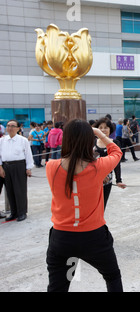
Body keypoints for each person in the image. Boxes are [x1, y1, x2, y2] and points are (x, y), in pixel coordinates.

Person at [45, 119, 123, 292]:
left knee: (59, 285)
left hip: (62, 238)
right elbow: (116, 151)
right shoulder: (98, 167)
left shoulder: (51, 167)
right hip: (94, 237)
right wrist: (100, 133)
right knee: (112, 276)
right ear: (90, 141)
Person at [0, 119, 34, 222]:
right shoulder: (2, 140)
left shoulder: (23, 140)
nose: (10, 128)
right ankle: (13, 212)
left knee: (20, 190)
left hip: (19, 166)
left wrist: (28, 168)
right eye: (8, 126)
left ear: (18, 128)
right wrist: (0, 167)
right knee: (10, 190)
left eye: (13, 126)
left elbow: (28, 154)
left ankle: (22, 212)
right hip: (6, 167)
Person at [93, 118, 127, 208]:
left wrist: (118, 180)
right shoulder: (92, 142)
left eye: (106, 127)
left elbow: (116, 163)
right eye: (100, 127)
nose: (103, 130)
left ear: (110, 129)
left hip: (106, 181)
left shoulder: (114, 143)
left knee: (101, 207)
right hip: (92, 179)